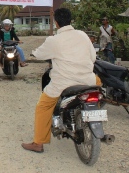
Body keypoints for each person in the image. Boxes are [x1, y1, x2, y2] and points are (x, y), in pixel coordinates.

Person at [21, 8, 96, 153]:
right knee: (97, 86)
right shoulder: (83, 35)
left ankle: (38, 143)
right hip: (87, 80)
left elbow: (39, 54)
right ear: (71, 21)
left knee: (43, 107)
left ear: (56, 23)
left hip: (64, 83)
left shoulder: (53, 40)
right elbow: (92, 58)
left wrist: (33, 53)